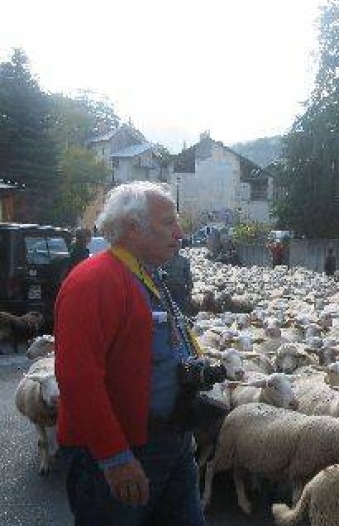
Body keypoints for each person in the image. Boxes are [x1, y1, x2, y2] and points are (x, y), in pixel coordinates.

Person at [54, 181, 208, 526]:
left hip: (173, 442)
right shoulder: (95, 281)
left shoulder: (152, 276)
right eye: (168, 222)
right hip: (125, 450)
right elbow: (78, 377)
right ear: (134, 229)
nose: (179, 233)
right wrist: (114, 457)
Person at [162, 243, 193, 314]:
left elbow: (188, 275)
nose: (176, 248)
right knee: (168, 308)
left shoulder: (184, 261)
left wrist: (189, 288)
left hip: (180, 288)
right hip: (167, 288)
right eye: (174, 246)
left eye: (178, 246)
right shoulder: (164, 259)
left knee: (181, 308)